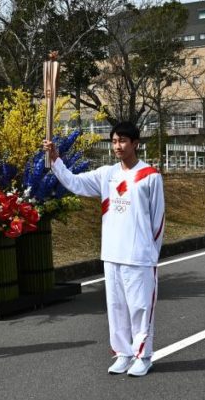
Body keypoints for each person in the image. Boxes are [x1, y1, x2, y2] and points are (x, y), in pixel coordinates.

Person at [44, 122, 165, 377]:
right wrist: (55, 160)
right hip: (111, 254)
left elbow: (158, 220)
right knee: (117, 307)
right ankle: (123, 353)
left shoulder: (150, 176)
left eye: (122, 141)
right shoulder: (106, 174)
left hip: (139, 256)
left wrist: (151, 254)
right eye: (114, 141)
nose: (117, 146)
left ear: (135, 144)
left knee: (140, 308)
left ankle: (143, 356)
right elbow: (75, 183)